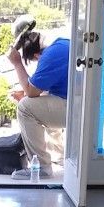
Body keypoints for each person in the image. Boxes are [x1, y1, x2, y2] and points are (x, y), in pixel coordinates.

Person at [7, 24, 70, 180]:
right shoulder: (62, 44)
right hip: (93, 103)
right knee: (39, 100)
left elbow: (31, 91)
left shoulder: (51, 56)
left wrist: (17, 63)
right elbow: (39, 91)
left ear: (36, 55)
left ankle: (41, 168)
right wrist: (29, 93)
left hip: (84, 109)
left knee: (25, 108)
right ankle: (58, 155)